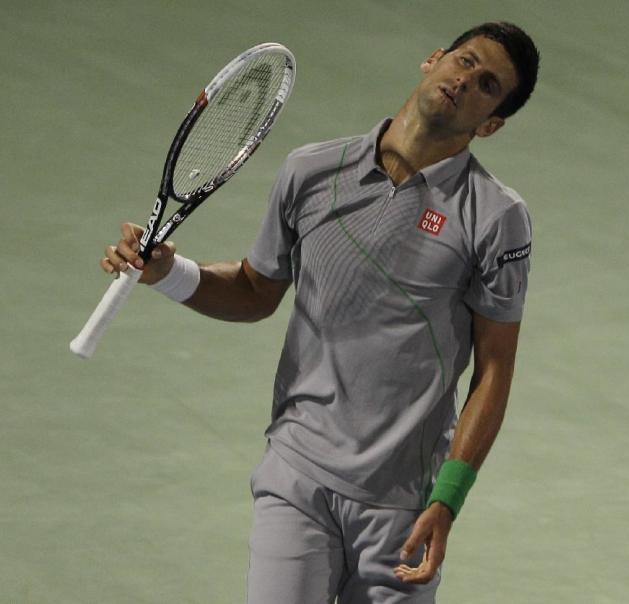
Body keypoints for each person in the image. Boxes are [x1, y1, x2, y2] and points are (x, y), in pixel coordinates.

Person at [101, 22, 539, 603]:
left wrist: (447, 499)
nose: (465, 80)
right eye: (463, 61)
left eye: (487, 85)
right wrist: (168, 274)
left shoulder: (495, 217)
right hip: (297, 476)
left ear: (492, 124)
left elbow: (495, 369)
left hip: (403, 503)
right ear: (433, 59)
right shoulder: (312, 172)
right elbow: (257, 291)